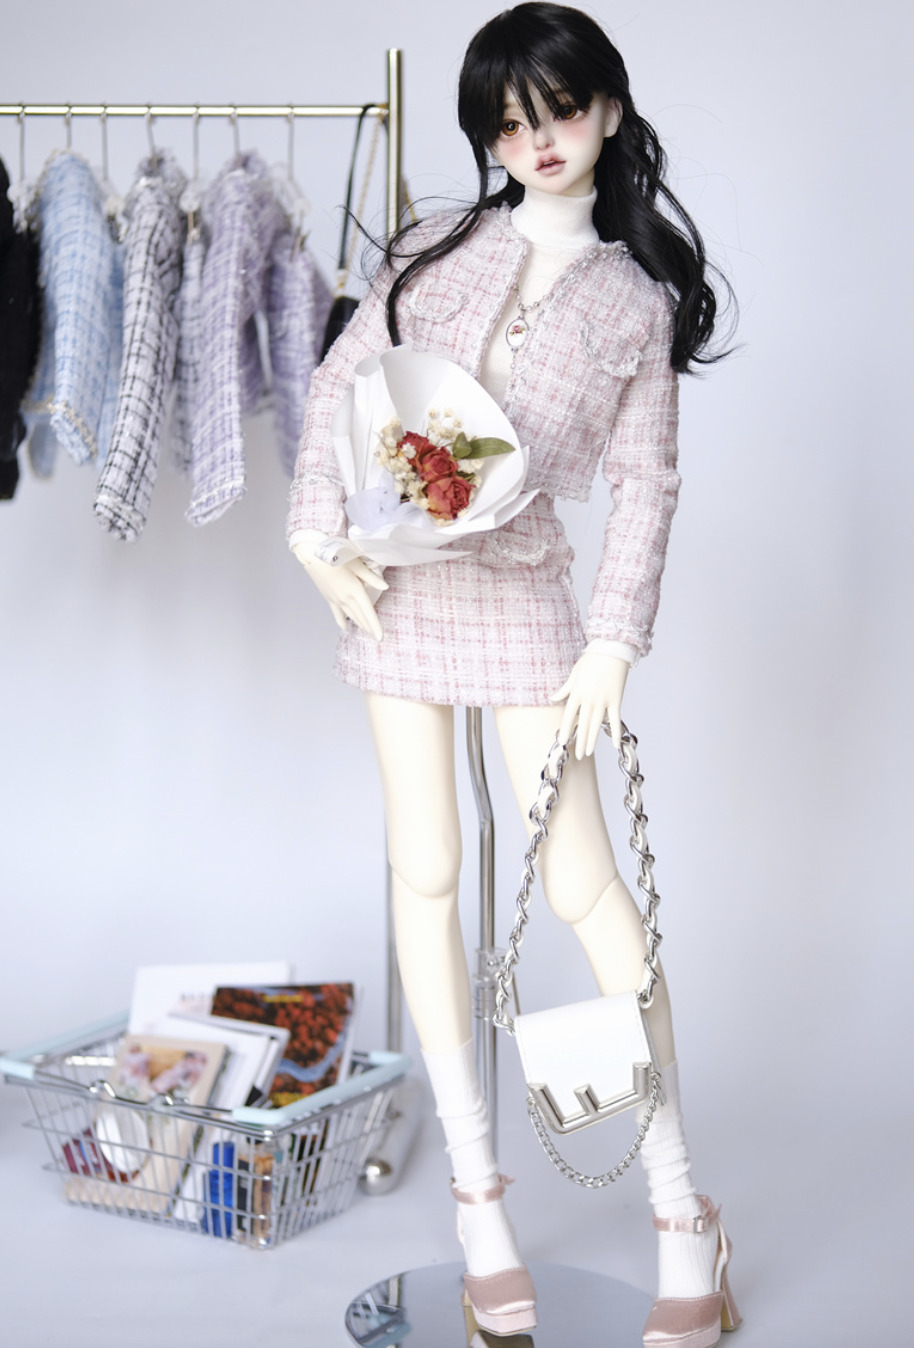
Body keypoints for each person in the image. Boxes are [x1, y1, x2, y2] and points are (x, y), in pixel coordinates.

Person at [287, 6, 738, 1344]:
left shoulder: (632, 301)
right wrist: (314, 532)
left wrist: (612, 637)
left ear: (607, 110)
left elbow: (647, 484)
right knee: (424, 869)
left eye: (557, 111)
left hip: (528, 605)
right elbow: (339, 386)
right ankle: (478, 1200)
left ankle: (680, 1209)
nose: (533, 141)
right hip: (394, 592)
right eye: (506, 120)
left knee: (582, 889)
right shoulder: (432, 246)